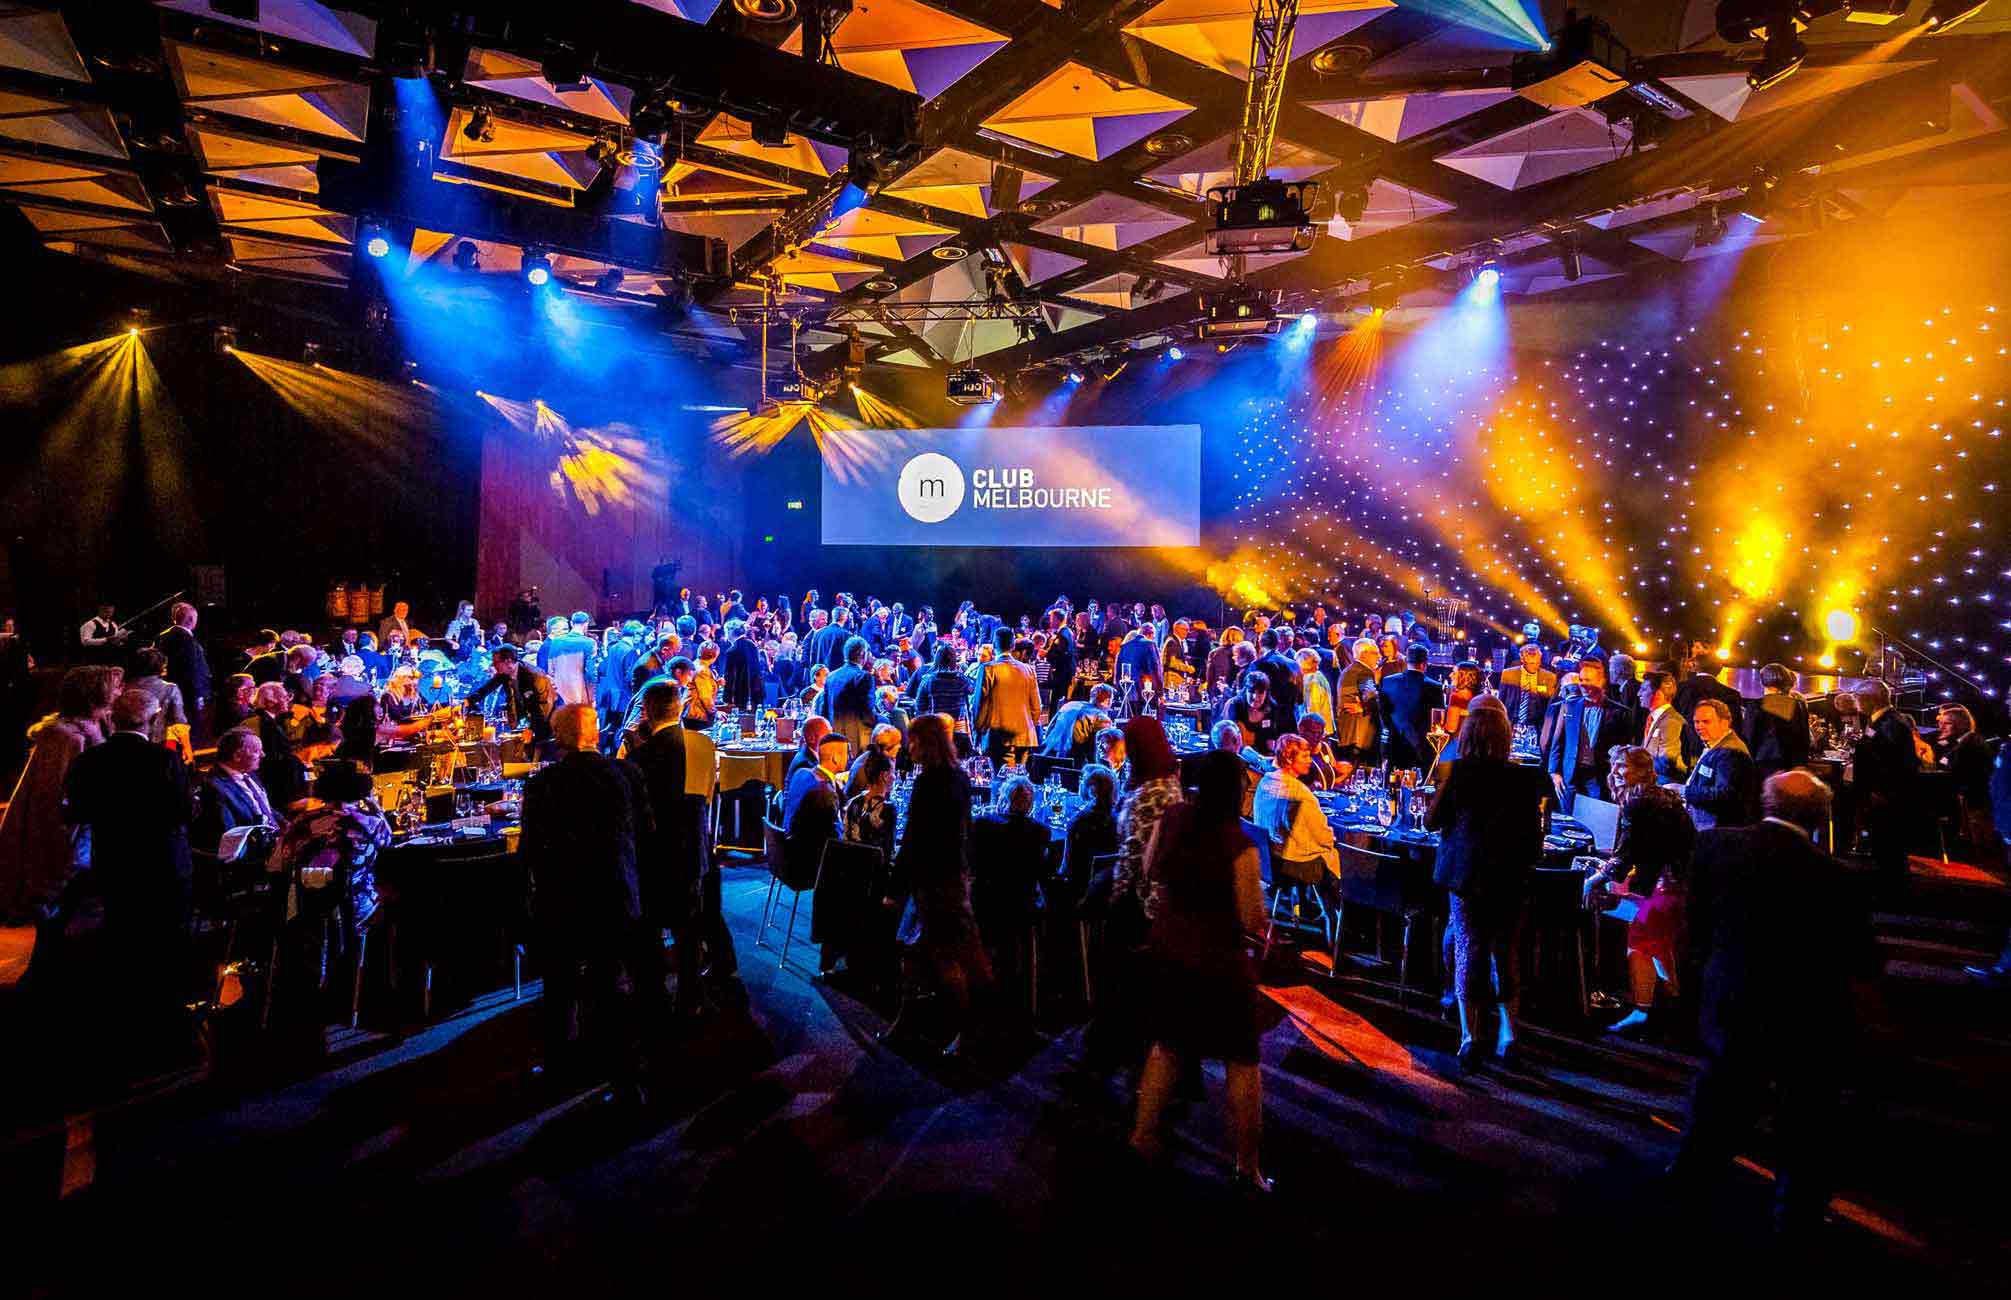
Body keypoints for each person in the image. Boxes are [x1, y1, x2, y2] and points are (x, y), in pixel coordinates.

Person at [1670, 771, 1878, 1240]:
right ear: (1821, 815)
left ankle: (1688, 1182)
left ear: (1765, 800)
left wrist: (1700, 984)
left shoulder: (1715, 847)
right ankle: (1795, 1213)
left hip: (1729, 995)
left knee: (1719, 1098)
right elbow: (1861, 963)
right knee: (1805, 1117)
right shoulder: (1837, 877)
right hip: (1804, 1013)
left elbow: (1693, 930)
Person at [1128, 749, 1270, 1192]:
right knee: (1242, 1061)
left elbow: (1150, 868)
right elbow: (1251, 918)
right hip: (1218, 963)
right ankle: (1247, 1167)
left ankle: (1142, 1136)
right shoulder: (1238, 845)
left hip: (1169, 948)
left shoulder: (1172, 819)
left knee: (1166, 1046)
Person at [519, 704, 655, 1097]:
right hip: (614, 894)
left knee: (560, 987)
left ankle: (562, 1067)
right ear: (593, 735)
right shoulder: (625, 774)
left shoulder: (542, 785)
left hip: (562, 898)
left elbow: (530, 851)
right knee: (611, 989)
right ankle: (624, 1078)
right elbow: (647, 834)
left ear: (560, 738)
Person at [62, 687, 196, 1050]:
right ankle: (165, 1025)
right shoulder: (165, 760)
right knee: (165, 944)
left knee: (123, 936)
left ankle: (122, 1021)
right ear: (154, 720)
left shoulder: (91, 760)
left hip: (115, 859)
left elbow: (74, 811)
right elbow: (185, 811)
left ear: (112, 718)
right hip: (164, 862)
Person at [1427, 704, 1552, 1068]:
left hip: (1466, 875)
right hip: (1510, 875)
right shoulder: (1524, 777)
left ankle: (1470, 1036)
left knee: (1468, 949)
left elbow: (1433, 820)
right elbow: (1534, 835)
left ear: (1467, 736)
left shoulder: (1460, 773)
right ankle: (1508, 1034)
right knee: (1506, 952)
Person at [887, 713, 992, 1052]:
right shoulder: (959, 778)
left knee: (944, 955)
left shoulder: (928, 783)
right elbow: (966, 830)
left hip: (933, 880)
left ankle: (964, 1029)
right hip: (952, 875)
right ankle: (910, 1019)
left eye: (913, 741)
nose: (908, 746)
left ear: (925, 743)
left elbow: (915, 839)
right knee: (926, 952)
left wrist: (894, 887)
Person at [0, 665, 120, 924]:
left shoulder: (97, 725)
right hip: (68, 830)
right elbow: (51, 795)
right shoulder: (64, 735)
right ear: (94, 693)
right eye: (114, 686)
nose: (119, 691)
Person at [627, 680, 706, 1014]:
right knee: (689, 932)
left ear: (647, 710)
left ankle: (655, 999)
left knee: (651, 932)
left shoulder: (641, 756)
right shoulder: (703, 745)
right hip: (694, 850)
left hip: (656, 854)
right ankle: (692, 999)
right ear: (680, 707)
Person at [970, 774, 1050, 1005]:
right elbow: (1042, 873)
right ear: (1031, 803)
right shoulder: (1040, 832)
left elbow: (973, 862)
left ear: (1003, 798)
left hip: (986, 902)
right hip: (1022, 904)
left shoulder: (983, 825)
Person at [1546, 657, 1636, 812]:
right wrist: (1554, 771)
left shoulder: (1620, 713)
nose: (1582, 684)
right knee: (1567, 818)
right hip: (1570, 774)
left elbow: (1624, 751)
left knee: (1595, 819)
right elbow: (1558, 741)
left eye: (1588, 680)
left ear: (1601, 682)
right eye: (1581, 679)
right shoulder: (1569, 705)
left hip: (1600, 777)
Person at [194, 725, 280, 857]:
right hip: (256, 858)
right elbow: (231, 838)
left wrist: (288, 826)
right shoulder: (215, 788)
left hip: (277, 844)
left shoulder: (249, 773)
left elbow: (264, 807)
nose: (263, 755)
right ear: (237, 756)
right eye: (257, 751)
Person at [465, 644, 558, 759]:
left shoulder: (535, 677)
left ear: (508, 661)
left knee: (543, 757)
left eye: (496, 662)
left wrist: (531, 729)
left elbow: (544, 708)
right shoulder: (504, 674)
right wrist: (468, 701)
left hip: (548, 723)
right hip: (530, 720)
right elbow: (486, 689)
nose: (493, 665)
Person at [1684, 697, 1758, 831]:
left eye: (1706, 722)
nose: (1699, 726)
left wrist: (1686, 791)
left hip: (1718, 829)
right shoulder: (1714, 744)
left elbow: (1724, 795)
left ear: (1725, 723)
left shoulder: (1730, 752)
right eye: (1696, 722)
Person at [974, 630, 1040, 766]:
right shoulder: (1028, 670)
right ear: (1013, 646)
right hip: (1025, 735)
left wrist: (978, 731)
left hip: (999, 735)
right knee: (1019, 782)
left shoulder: (987, 669)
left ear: (994, 645)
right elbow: (1036, 706)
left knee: (1002, 782)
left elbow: (979, 705)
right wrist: (1027, 726)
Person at [1933, 704, 1993, 851]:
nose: (1941, 727)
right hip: (1972, 799)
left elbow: (1953, 767)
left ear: (1960, 725)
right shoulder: (1965, 741)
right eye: (1940, 723)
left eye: (1946, 723)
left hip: (1977, 801)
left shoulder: (1970, 744)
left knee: (1981, 846)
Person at [1378, 642, 1446, 773]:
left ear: (1406, 660)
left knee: (1392, 783)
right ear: (1425, 664)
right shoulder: (1434, 687)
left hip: (1393, 742)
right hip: (1421, 746)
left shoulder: (1388, 681)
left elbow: (1383, 712)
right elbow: (1438, 721)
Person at [155, 602, 211, 746]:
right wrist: (198, 695)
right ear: (192, 619)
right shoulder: (187, 640)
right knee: (189, 733)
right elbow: (191, 669)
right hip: (187, 694)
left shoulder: (162, 637)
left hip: (165, 691)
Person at [1061, 763, 1120, 900]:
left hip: (1080, 891)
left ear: (1090, 790)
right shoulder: (1120, 820)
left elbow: (1066, 868)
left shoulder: (1077, 823)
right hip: (1110, 888)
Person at [1742, 662, 1810, 781]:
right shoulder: (1798, 705)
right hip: (1791, 764)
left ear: (1764, 681)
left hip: (1763, 763)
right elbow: (1804, 738)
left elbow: (1749, 737)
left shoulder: (1756, 705)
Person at [125, 647, 187, 746]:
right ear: (159, 666)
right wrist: (186, 745)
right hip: (157, 740)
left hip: (126, 741)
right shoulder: (170, 688)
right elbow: (179, 719)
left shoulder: (122, 687)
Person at [1334, 638, 1381, 763]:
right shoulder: (1364, 672)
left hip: (1347, 734)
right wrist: (1365, 707)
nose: (1379, 656)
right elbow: (1372, 699)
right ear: (1364, 654)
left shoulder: (1348, 671)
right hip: (1361, 736)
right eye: (1376, 653)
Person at [1638, 669, 1690, 781]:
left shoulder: (1671, 721)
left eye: (1643, 689)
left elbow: (1667, 763)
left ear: (1658, 694)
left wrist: (1634, 761)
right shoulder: (1653, 718)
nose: (1639, 694)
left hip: (1663, 786)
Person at [1042, 683, 1115, 762]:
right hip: (1074, 763)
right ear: (1107, 701)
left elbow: (1049, 729)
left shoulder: (1070, 705)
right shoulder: (1102, 719)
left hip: (1048, 755)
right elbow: (1096, 751)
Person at [1497, 642, 1556, 730]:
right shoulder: (1508, 674)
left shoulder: (1549, 677)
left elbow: (1551, 704)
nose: (1535, 666)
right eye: (1531, 663)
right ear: (1522, 660)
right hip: (1511, 721)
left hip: (1537, 724)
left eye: (1537, 662)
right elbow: (1501, 701)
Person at [1225, 670, 1282, 757]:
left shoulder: (1272, 707)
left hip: (1261, 757)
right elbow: (1230, 741)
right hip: (1238, 755)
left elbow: (1270, 738)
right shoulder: (1235, 705)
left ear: (1266, 693)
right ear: (1245, 691)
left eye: (1260, 693)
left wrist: (1271, 757)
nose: (1255, 698)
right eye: (1251, 692)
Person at [1295, 649, 1335, 735]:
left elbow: (1313, 707)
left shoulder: (1312, 681)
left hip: (1316, 732)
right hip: (1320, 729)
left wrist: (1311, 731)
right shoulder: (1318, 676)